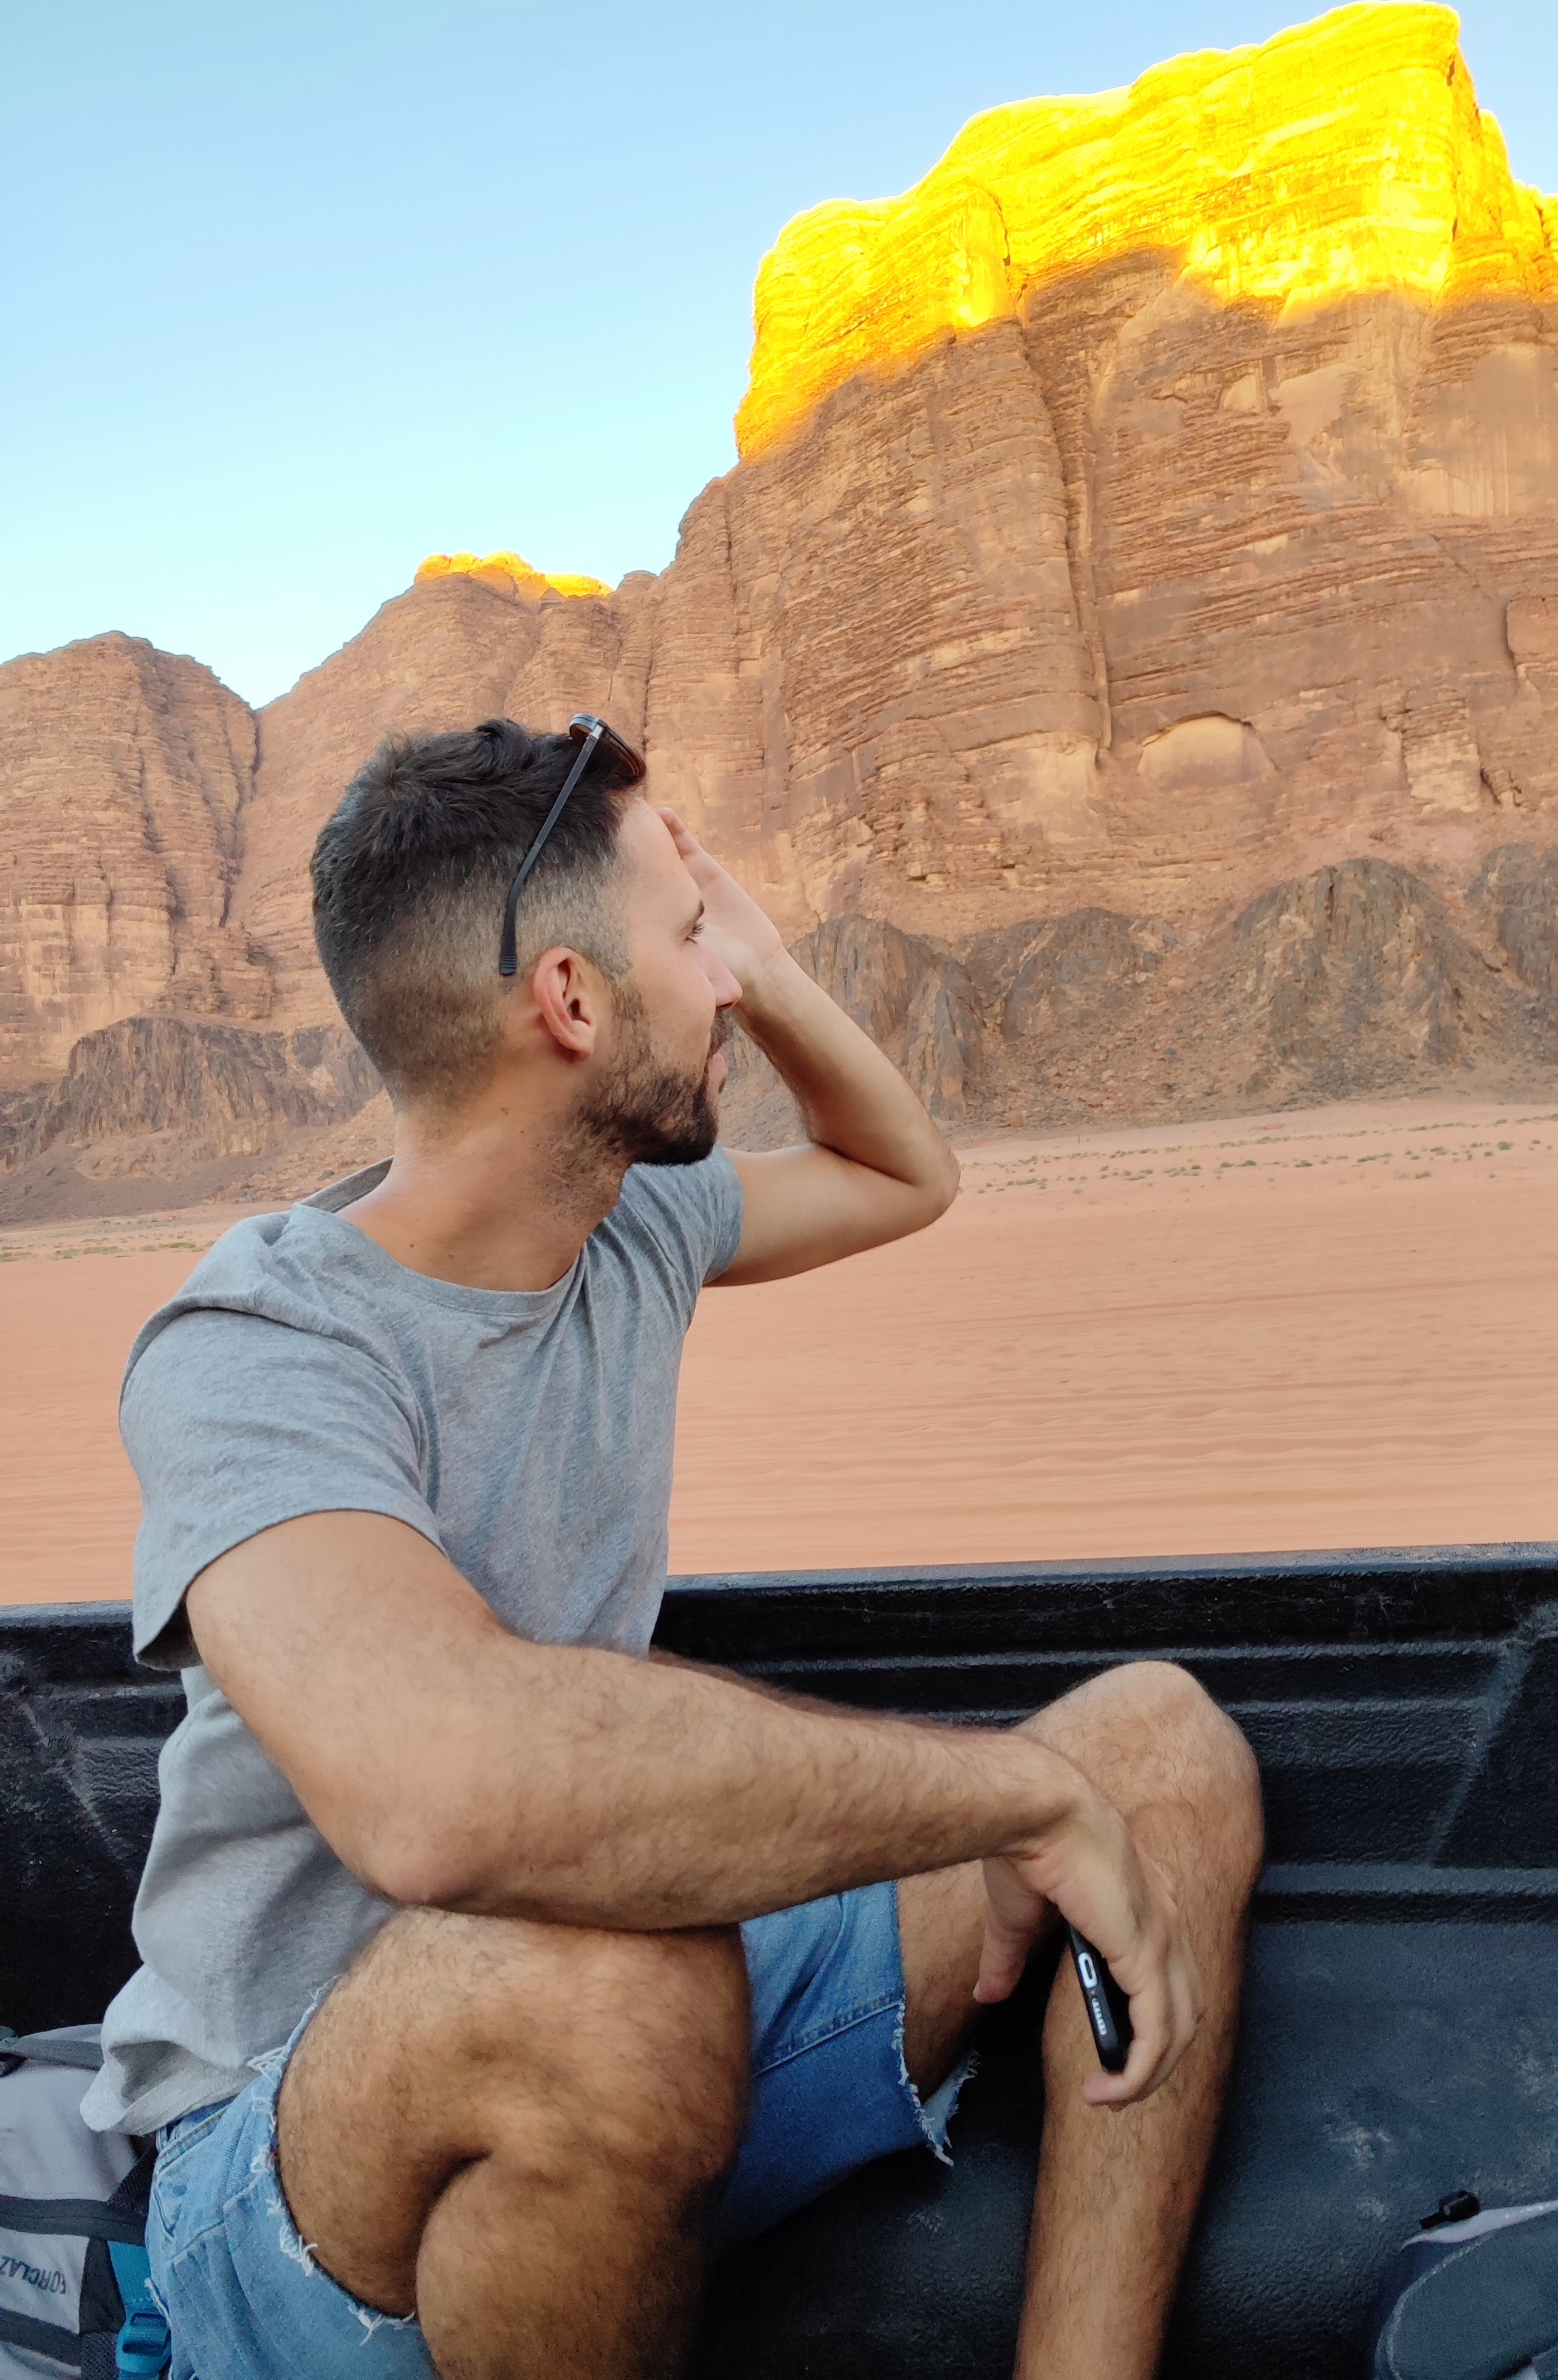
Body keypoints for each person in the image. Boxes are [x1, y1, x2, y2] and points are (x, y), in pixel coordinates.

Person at [82, 716, 1263, 2380]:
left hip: (634, 2019)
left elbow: (899, 1172)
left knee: (1159, 1749)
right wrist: (1010, 1796)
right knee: (597, 1987)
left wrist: (764, 968)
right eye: (693, 937)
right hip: (287, 2182)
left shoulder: (634, 1220)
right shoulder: (260, 1348)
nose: (725, 985)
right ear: (571, 1002)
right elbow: (446, 1801)